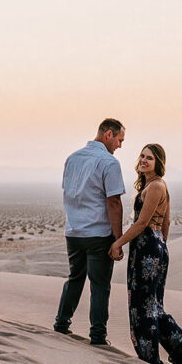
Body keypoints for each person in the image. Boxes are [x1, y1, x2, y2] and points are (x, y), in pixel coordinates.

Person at [109, 144, 182, 364]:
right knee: (152, 304)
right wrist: (161, 246)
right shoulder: (155, 185)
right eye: (142, 156)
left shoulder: (156, 186)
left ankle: (150, 359)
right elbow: (166, 222)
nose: (144, 160)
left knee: (144, 305)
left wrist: (118, 243)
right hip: (153, 246)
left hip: (147, 247)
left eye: (149, 158)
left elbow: (142, 222)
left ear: (158, 162)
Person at [54, 118, 126, 345]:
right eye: (119, 140)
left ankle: (61, 324)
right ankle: (97, 336)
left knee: (75, 278)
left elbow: (68, 193)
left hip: (73, 231)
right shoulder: (109, 163)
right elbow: (113, 201)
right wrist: (118, 238)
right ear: (108, 135)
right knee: (100, 285)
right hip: (98, 233)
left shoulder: (72, 158)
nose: (120, 146)